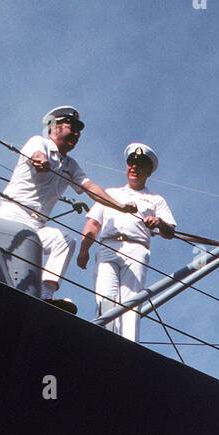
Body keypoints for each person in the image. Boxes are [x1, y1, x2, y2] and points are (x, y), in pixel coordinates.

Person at [0, 106, 137, 307]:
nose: (76, 134)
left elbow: (90, 188)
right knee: (5, 272)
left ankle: (46, 296)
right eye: (72, 127)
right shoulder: (39, 142)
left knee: (65, 241)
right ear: (55, 127)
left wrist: (120, 206)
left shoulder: (70, 165)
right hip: (13, 215)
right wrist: (40, 160)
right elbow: (36, 155)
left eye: (79, 130)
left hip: (36, 226)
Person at [77, 143, 176, 342]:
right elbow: (93, 223)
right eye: (131, 163)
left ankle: (129, 345)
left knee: (131, 301)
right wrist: (84, 249)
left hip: (136, 249)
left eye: (140, 165)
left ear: (148, 171)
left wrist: (159, 223)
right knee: (105, 298)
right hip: (108, 246)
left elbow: (170, 231)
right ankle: (104, 341)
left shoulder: (155, 200)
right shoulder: (111, 194)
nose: (134, 168)